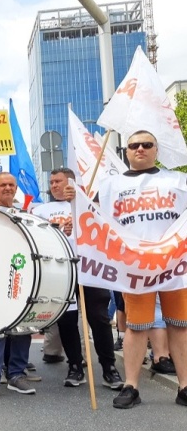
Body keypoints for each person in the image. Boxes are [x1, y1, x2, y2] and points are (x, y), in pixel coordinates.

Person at [79, 130, 187, 408]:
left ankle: (185, 386)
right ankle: (131, 386)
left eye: (146, 144)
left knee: (180, 326)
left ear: (156, 150)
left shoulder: (178, 180)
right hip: (136, 268)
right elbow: (94, 218)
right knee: (137, 328)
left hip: (174, 265)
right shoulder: (109, 184)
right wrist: (74, 200)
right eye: (133, 145)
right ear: (126, 151)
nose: (140, 149)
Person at [32, 167, 123, 390]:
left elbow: (104, 232)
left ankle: (109, 368)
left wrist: (82, 220)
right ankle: (74, 366)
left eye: (59, 181)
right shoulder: (41, 209)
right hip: (61, 273)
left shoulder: (88, 206)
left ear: (71, 184)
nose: (54, 185)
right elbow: (36, 238)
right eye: (51, 181)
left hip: (89, 270)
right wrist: (59, 230)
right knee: (67, 321)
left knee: (99, 319)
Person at [0, 172, 38, 402]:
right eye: (2, 184)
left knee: (23, 326)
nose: (7, 188)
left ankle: (16, 375)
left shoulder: (24, 215)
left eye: (11, 185)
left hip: (21, 276)